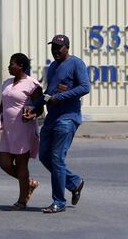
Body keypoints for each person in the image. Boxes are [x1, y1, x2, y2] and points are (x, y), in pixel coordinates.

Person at [24, 34, 90, 214]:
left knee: (57, 157)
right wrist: (34, 106)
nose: (55, 51)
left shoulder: (76, 63)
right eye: (53, 48)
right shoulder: (52, 66)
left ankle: (59, 202)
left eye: (58, 48)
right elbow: (48, 93)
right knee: (45, 156)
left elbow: (85, 87)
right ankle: (74, 182)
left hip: (68, 118)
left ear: (67, 48)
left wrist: (60, 97)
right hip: (51, 118)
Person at [0, 53, 43, 210]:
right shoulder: (7, 83)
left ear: (20, 66)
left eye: (12, 63)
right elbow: (3, 104)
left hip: (24, 130)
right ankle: (29, 183)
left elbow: (40, 107)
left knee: (21, 166)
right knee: (4, 163)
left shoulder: (32, 84)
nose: (9, 66)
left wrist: (32, 114)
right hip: (8, 130)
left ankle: (22, 201)